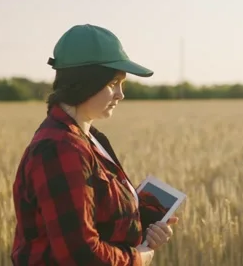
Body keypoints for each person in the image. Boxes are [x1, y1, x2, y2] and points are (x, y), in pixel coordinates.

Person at [10, 24, 179, 266]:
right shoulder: (59, 148)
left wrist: (142, 224)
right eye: (113, 83)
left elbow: (95, 216)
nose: (121, 94)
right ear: (86, 82)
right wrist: (138, 259)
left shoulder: (89, 139)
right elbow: (80, 255)